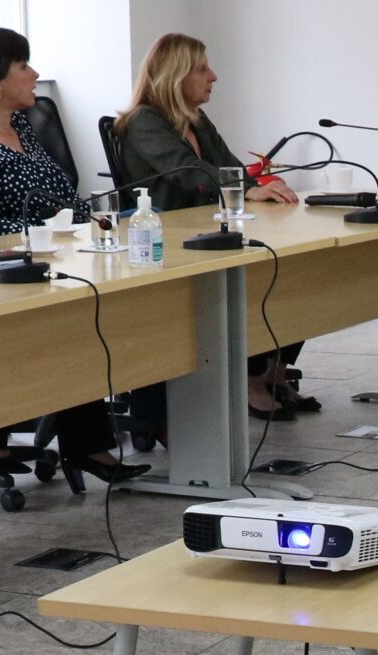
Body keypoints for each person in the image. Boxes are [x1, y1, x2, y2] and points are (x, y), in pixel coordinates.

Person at [0, 26, 143, 486]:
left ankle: (86, 443)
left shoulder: (21, 126)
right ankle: (4, 436)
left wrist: (106, 220)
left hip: (55, 260)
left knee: (94, 316)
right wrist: (44, 230)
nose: (35, 74)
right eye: (23, 66)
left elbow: (62, 198)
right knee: (66, 325)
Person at [115, 32, 305, 420]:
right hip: (166, 243)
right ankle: (251, 378)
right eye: (202, 69)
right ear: (175, 75)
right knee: (260, 282)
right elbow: (189, 174)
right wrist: (249, 191)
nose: (213, 76)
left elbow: (231, 166)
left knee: (294, 271)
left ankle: (272, 371)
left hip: (207, 233)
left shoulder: (196, 119)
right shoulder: (143, 122)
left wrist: (264, 186)